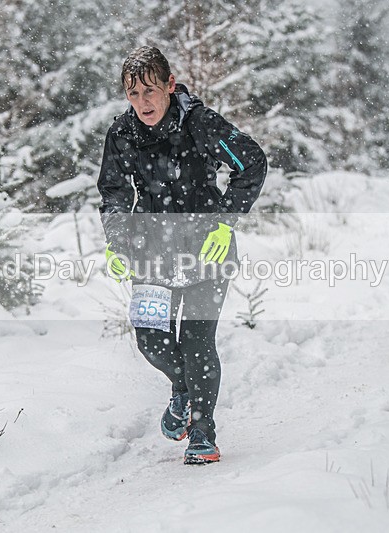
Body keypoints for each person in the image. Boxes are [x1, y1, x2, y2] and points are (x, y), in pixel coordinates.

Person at [97, 46, 267, 465]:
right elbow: (114, 193)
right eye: (133, 94)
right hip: (152, 251)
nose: (143, 102)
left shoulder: (201, 125)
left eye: (150, 90)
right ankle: (184, 389)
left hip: (208, 248)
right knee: (150, 339)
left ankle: (203, 436)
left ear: (170, 86)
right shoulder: (122, 134)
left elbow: (252, 162)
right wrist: (117, 242)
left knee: (196, 340)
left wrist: (227, 221)